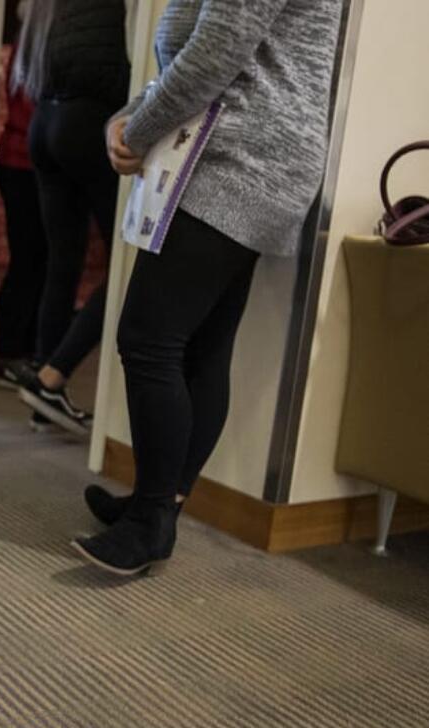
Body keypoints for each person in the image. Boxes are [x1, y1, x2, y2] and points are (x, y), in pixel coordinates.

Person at [74, 0, 344, 575]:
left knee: (149, 338)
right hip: (244, 155)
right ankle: (160, 503)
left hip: (244, 159)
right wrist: (125, 118)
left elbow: (216, 52)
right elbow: (193, 51)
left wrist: (138, 132)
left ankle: (151, 521)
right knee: (202, 344)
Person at [11, 0, 130, 435]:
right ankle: (52, 375)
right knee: (128, 260)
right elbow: (113, 73)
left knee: (62, 263)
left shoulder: (43, 8)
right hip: (87, 123)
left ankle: (44, 396)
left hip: (45, 123)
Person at [0, 2, 51, 435]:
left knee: (37, 262)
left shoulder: (22, 51)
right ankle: (12, 354)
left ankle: (22, 353)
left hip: (27, 165)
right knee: (31, 261)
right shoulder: (27, 54)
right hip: (23, 165)